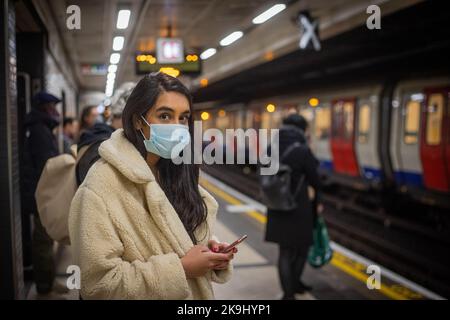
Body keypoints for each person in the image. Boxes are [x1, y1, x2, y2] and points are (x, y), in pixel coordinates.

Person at [68, 72, 235, 300]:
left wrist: (208, 248)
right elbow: (97, 284)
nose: (177, 127)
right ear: (138, 120)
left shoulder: (175, 171)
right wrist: (182, 269)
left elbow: (175, 236)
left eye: (183, 118)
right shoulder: (101, 185)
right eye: (165, 116)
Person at [264, 114, 322, 300]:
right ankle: (292, 287)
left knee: (285, 251)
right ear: (302, 129)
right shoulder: (301, 149)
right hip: (299, 206)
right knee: (301, 248)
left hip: (276, 204)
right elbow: (315, 178)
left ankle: (290, 291)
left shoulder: (271, 146)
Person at [22, 91, 62, 294]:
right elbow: (47, 165)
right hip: (42, 193)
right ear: (43, 108)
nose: (55, 111)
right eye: (51, 106)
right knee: (43, 238)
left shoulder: (41, 128)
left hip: (42, 191)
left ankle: (50, 280)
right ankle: (45, 285)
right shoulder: (39, 130)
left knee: (45, 237)